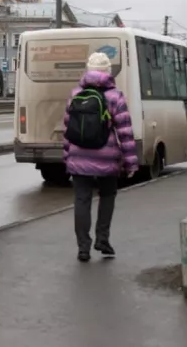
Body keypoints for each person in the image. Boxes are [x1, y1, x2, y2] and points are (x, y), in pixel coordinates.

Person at [63, 52, 137, 262]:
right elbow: (125, 132)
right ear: (107, 71)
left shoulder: (76, 93)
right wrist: (131, 162)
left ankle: (83, 248)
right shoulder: (115, 96)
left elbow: (67, 129)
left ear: (87, 70)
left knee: (81, 200)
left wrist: (67, 156)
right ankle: (102, 239)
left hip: (78, 156)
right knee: (107, 196)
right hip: (107, 157)